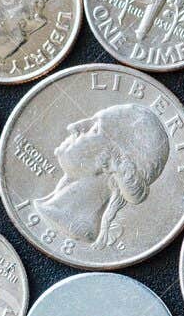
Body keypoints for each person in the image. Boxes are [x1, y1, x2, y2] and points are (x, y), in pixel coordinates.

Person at [33, 105, 170, 249]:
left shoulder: (71, 224)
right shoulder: (52, 211)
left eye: (95, 128)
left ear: (109, 161)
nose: (73, 127)